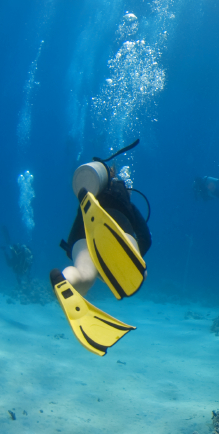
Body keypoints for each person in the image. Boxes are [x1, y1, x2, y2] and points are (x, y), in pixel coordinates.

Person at [50, 140, 152, 356]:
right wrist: (132, 257)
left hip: (83, 231)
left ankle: (67, 280)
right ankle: (119, 260)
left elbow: (74, 230)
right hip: (117, 224)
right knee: (140, 272)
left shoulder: (93, 193)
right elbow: (145, 237)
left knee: (84, 275)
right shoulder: (126, 201)